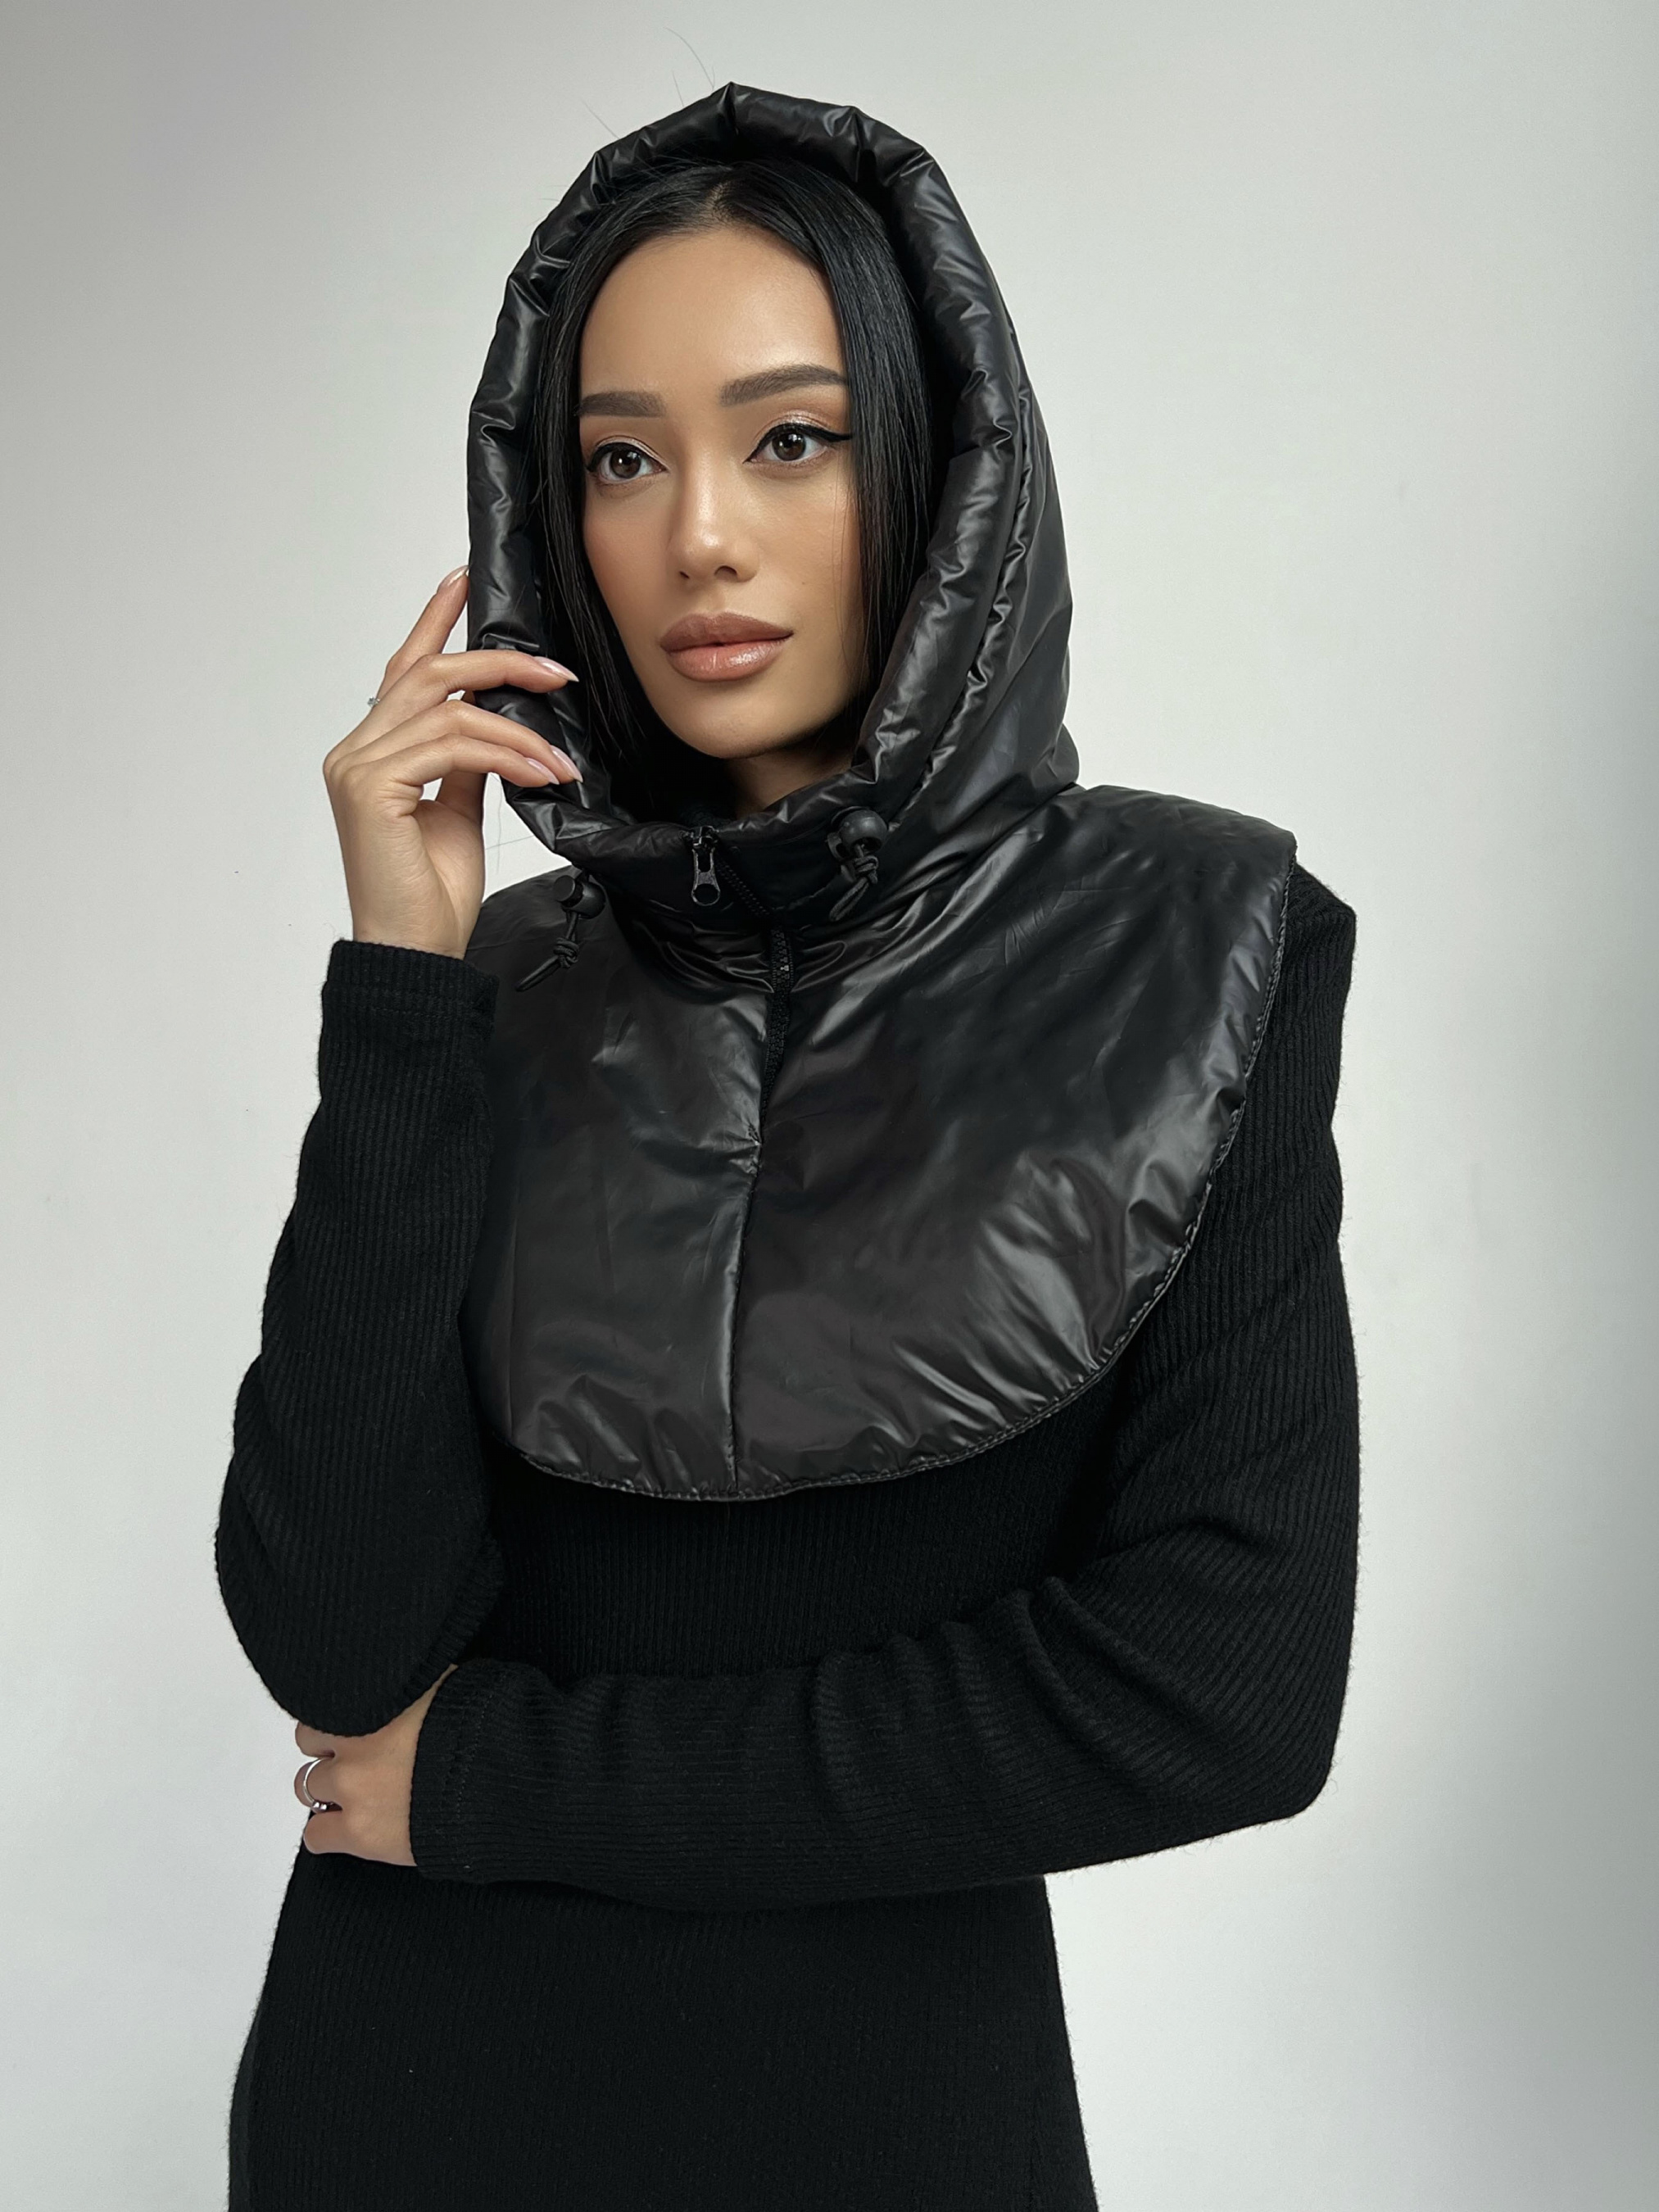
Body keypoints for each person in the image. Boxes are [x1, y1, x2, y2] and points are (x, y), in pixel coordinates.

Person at [216, 84, 1359, 2212]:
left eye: (792, 440)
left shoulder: (1202, 948)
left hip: (891, 2131)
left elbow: (1218, 1690)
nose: (700, 542)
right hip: (404, 2112)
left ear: (938, 468)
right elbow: (336, 1641)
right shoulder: (492, 982)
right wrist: (402, 983)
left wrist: (509, 1779)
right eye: (620, 458)